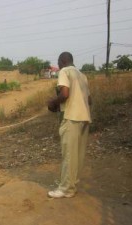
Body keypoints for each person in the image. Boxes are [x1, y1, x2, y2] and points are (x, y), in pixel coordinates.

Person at [47, 52, 91, 198]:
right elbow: (89, 100)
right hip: (84, 118)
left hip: (71, 118)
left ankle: (65, 188)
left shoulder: (64, 71)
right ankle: (71, 186)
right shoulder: (82, 75)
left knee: (68, 155)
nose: (58, 65)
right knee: (77, 155)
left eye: (59, 63)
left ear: (62, 61)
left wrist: (53, 102)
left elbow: (65, 94)